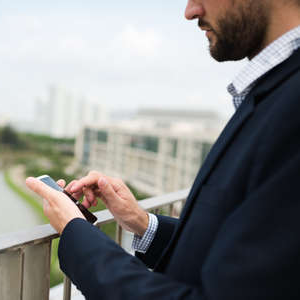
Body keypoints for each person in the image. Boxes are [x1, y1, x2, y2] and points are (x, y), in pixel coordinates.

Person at [26, 0, 300, 299]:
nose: (190, 11)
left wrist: (75, 231)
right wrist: (143, 224)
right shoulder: (276, 90)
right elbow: (246, 258)